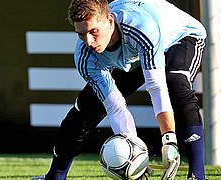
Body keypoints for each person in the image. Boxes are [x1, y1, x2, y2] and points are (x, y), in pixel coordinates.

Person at [32, 0, 207, 179]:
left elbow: (156, 87)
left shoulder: (140, 28)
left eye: (93, 32)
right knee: (87, 107)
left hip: (181, 37)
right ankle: (55, 176)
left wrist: (169, 139)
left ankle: (197, 175)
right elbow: (115, 107)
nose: (89, 42)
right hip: (135, 55)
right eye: (81, 35)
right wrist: (134, 155)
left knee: (175, 83)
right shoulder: (85, 57)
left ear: (109, 21)